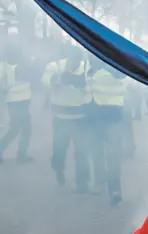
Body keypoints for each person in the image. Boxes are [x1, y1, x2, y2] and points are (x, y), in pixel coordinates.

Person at [41, 47, 92, 191]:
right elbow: (44, 80)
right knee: (59, 150)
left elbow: (91, 86)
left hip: (80, 117)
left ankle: (82, 183)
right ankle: (58, 170)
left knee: (81, 151)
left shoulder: (86, 68)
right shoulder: (56, 66)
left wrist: (81, 83)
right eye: (71, 60)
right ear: (67, 58)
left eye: (77, 61)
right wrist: (54, 80)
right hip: (60, 116)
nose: (74, 64)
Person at [86, 56, 129, 205]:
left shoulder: (116, 70)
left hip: (112, 118)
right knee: (97, 153)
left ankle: (114, 190)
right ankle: (99, 182)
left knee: (112, 156)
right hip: (94, 117)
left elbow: (123, 78)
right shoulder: (90, 70)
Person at [0, 45, 34, 163]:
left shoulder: (6, 66)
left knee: (16, 129)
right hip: (20, 101)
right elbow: (29, 78)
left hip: (14, 101)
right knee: (24, 129)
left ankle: (0, 150)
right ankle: (20, 155)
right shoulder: (18, 67)